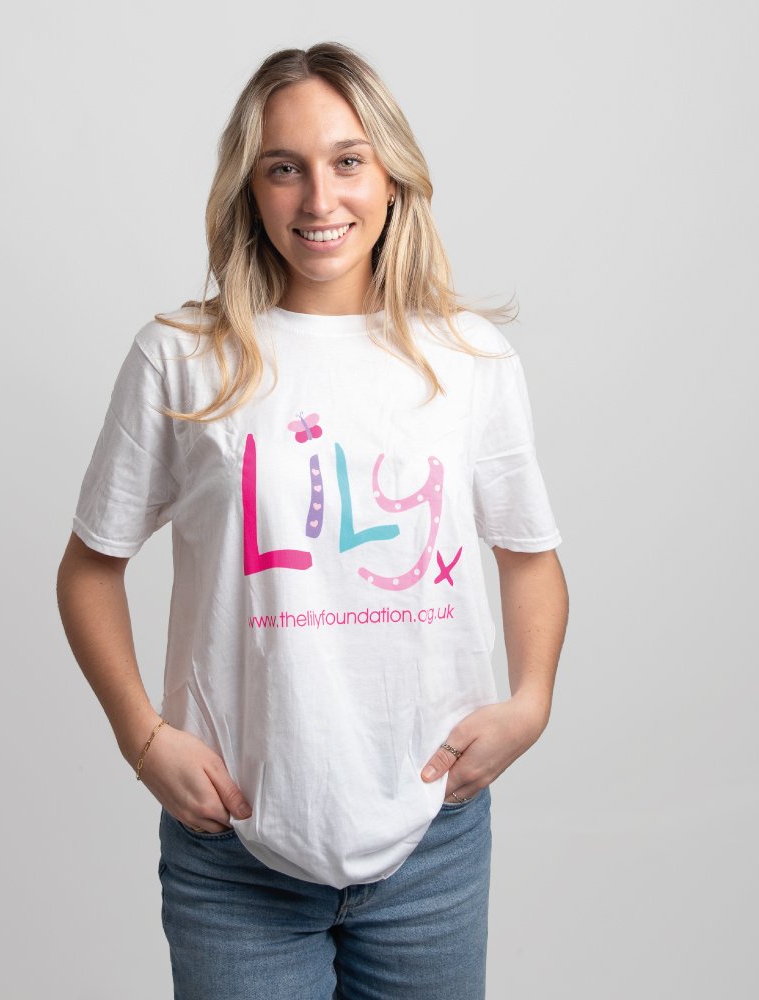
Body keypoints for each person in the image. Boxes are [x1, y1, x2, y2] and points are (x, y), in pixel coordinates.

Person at [56, 40, 569, 1000]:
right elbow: (88, 566)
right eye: (283, 168)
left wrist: (531, 701)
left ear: (392, 176)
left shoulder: (470, 359)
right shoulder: (182, 358)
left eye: (347, 161)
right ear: (250, 189)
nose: (319, 199)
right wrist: (142, 737)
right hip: (235, 851)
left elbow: (530, 554)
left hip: (432, 846)